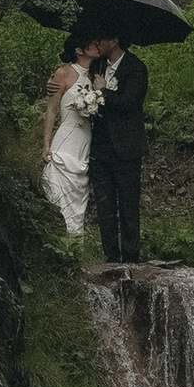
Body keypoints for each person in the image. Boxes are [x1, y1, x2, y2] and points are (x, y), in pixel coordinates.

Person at [86, 33, 149, 262]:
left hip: (126, 147)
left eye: (101, 39)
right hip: (101, 146)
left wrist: (104, 91)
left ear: (113, 41)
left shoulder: (136, 68)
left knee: (128, 203)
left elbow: (129, 103)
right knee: (104, 204)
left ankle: (131, 256)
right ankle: (111, 255)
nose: (97, 43)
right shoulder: (97, 65)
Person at [40, 35, 102, 240]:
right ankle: (56, 234)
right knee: (57, 187)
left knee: (79, 189)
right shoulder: (63, 73)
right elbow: (51, 111)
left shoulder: (97, 76)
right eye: (92, 43)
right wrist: (46, 143)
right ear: (79, 50)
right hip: (66, 136)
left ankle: (75, 241)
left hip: (85, 138)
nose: (97, 45)